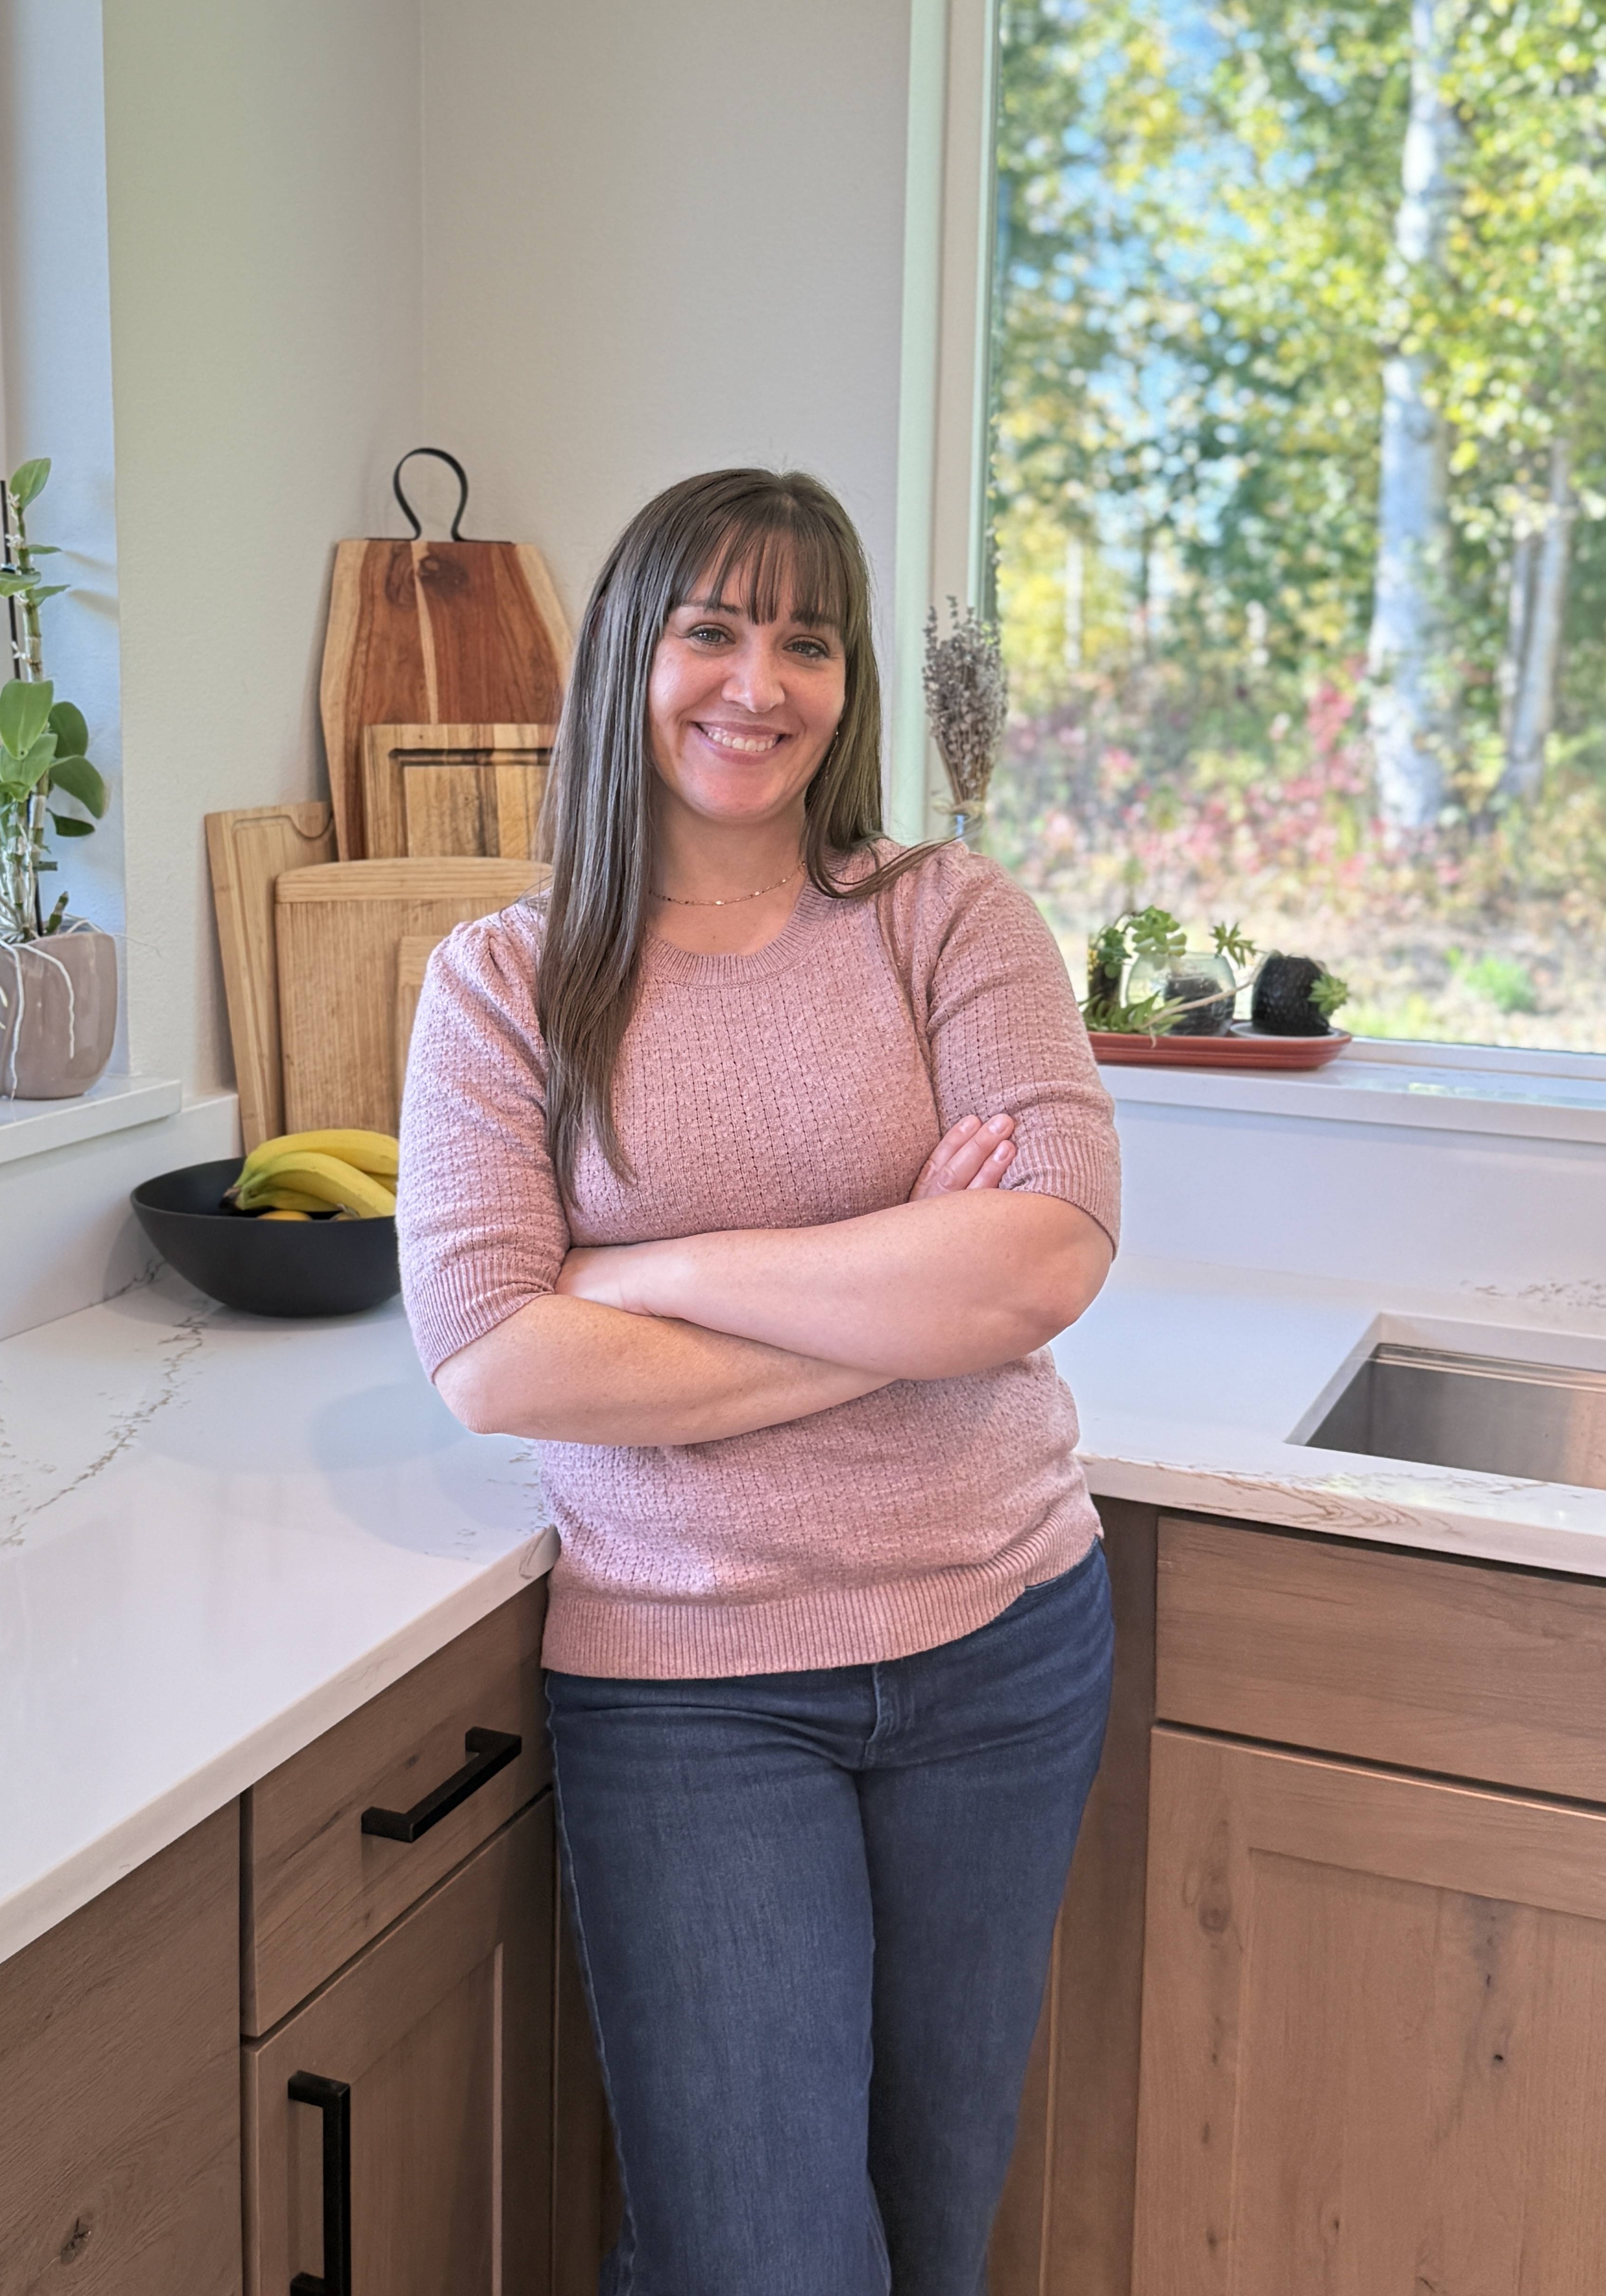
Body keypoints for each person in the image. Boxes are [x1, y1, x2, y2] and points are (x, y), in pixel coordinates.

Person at [396, 466, 1120, 2296]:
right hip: (692, 1693)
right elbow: (493, 1355)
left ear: (850, 677)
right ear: (633, 655)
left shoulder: (945, 917)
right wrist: (898, 1291)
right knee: (766, 2261)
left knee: (932, 2238)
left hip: (1003, 1649)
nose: (759, 679)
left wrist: (655, 1276)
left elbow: (1041, 1260)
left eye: (806, 636)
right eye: (712, 627)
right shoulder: (505, 985)